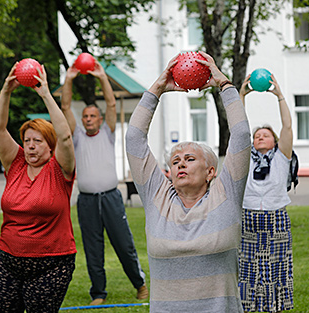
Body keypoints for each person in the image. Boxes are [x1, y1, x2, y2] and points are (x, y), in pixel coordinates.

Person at [125, 51, 251, 312]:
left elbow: (240, 135)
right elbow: (134, 139)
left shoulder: (225, 194)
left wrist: (224, 85)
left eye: (190, 158)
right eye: (175, 161)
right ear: (168, 172)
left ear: (210, 172)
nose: (180, 163)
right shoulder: (157, 197)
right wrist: (157, 88)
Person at [0, 62, 76, 312]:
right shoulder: (15, 163)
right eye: (27, 140)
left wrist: (46, 94)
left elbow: (65, 137)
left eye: (37, 141)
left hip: (52, 263)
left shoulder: (60, 169)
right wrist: (5, 92)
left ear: (50, 147)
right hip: (8, 259)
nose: (29, 146)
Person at [61, 60, 147, 305]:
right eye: (85, 116)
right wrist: (68, 79)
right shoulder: (76, 136)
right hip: (87, 201)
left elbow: (111, 103)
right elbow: (65, 106)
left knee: (124, 244)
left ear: (100, 120)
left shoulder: (108, 134)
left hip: (111, 198)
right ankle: (98, 293)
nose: (88, 119)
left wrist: (102, 77)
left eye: (92, 116)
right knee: (92, 249)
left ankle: (140, 285)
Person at [238, 74, 294, 312]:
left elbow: (288, 126)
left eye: (266, 135)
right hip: (248, 215)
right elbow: (237, 130)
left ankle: (276, 306)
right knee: (248, 266)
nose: (260, 136)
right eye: (257, 135)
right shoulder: (244, 157)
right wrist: (241, 96)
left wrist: (279, 96)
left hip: (276, 216)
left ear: (275, 141)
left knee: (278, 265)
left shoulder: (282, 157)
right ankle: (249, 307)